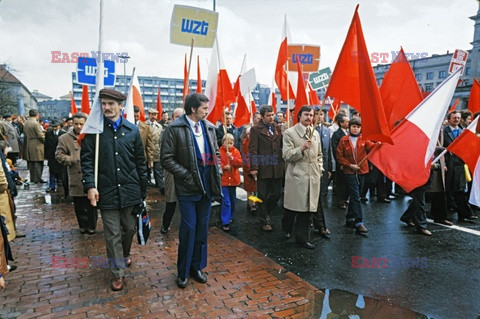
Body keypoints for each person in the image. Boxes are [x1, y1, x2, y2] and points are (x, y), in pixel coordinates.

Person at [81, 88, 148, 291]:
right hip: (106, 191)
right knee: (112, 234)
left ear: (121, 105)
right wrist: (90, 186)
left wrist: (142, 191)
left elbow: (140, 162)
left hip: (130, 191)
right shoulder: (95, 132)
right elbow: (86, 162)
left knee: (128, 229)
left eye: (111, 104)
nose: (107, 108)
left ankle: (125, 255)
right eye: (104, 104)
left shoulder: (132, 130)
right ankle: (117, 273)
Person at [161, 93, 222, 289]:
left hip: (207, 186)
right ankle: (183, 271)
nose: (207, 111)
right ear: (193, 109)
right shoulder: (174, 129)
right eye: (204, 108)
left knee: (202, 229)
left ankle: (197, 267)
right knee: (189, 229)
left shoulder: (209, 127)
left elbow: (215, 152)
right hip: (187, 188)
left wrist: (216, 167)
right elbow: (166, 158)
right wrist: (187, 176)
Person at [282, 106, 323, 249]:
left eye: (311, 115)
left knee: (307, 210)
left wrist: (320, 169)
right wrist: (302, 149)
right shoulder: (290, 133)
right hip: (297, 177)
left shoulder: (315, 134)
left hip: (313, 176)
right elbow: (286, 156)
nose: (309, 117)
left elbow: (319, 155)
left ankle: (302, 239)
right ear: (299, 116)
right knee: (293, 208)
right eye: (306, 114)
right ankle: (286, 228)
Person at [56, 112, 98, 234]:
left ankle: (91, 226)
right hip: (75, 174)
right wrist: (71, 159)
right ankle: (82, 225)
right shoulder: (64, 138)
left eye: (81, 124)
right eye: (76, 124)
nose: (79, 127)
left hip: (90, 174)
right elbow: (59, 154)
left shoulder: (92, 136)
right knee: (79, 204)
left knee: (91, 203)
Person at [249, 105, 285, 232]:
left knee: (276, 194)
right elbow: (253, 149)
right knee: (262, 195)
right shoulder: (255, 129)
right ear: (263, 117)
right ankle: (264, 220)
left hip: (277, 166)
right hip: (264, 166)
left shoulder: (277, 128)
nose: (271, 117)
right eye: (268, 115)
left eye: (272, 114)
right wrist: (254, 167)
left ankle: (264, 213)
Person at [336, 118, 375, 234]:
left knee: (355, 195)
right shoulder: (344, 140)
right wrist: (349, 165)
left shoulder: (364, 139)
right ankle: (359, 222)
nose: (355, 129)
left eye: (358, 127)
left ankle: (349, 218)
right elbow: (339, 156)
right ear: (349, 127)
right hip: (350, 172)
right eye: (353, 126)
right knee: (356, 196)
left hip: (362, 171)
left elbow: (372, 147)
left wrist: (378, 144)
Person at [442, 111, 477, 222]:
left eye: (458, 118)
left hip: (459, 166)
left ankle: (465, 214)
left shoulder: (463, 132)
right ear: (449, 119)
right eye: (454, 117)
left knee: (460, 190)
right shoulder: (443, 132)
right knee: (447, 191)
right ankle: (443, 215)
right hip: (448, 165)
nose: (456, 119)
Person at [160, 107, 184, 234]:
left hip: (185, 170)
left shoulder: (188, 130)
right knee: (171, 200)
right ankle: (165, 224)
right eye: (176, 117)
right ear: (172, 117)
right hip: (171, 170)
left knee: (186, 201)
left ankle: (185, 226)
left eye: (181, 116)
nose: (179, 119)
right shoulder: (167, 131)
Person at [313, 107, 331, 237]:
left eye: (322, 115)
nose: (320, 117)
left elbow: (328, 152)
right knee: (315, 198)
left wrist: (329, 168)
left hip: (323, 168)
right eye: (317, 115)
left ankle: (318, 223)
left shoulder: (326, 131)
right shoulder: (310, 131)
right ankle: (320, 225)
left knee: (320, 196)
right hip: (310, 168)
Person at [219, 133, 242, 232]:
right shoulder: (219, 152)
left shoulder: (236, 151)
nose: (229, 145)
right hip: (223, 181)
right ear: (223, 142)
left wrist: (232, 158)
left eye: (231, 143)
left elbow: (240, 163)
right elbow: (216, 163)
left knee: (233, 200)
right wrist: (224, 167)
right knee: (226, 201)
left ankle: (230, 216)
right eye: (227, 143)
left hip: (233, 180)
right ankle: (225, 221)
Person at [240, 112, 261, 213]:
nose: (259, 120)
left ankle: (255, 202)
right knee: (251, 187)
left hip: (260, 162)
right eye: (257, 118)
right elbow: (246, 153)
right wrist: (250, 167)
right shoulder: (248, 137)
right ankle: (252, 204)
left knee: (257, 186)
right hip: (250, 164)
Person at [331, 113, 349, 209]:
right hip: (341, 163)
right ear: (341, 123)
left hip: (349, 163)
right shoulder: (337, 134)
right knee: (341, 183)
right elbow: (335, 150)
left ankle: (345, 199)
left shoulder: (348, 133)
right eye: (347, 122)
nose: (348, 123)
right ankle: (340, 201)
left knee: (347, 183)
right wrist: (340, 163)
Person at [24, 109, 46, 183]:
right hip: (37, 144)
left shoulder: (26, 122)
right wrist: (45, 140)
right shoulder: (35, 123)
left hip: (29, 143)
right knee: (38, 162)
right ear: (37, 114)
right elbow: (40, 135)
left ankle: (33, 178)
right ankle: (38, 179)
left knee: (32, 163)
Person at [145, 108, 165, 192]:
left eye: (155, 114)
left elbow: (161, 141)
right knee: (146, 172)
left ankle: (161, 188)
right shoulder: (144, 125)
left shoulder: (159, 127)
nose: (153, 116)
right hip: (146, 153)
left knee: (158, 172)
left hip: (157, 153)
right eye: (152, 114)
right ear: (149, 115)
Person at [44, 121, 63, 192]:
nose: (54, 128)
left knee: (60, 170)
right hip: (51, 155)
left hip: (60, 155)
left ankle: (60, 182)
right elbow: (46, 145)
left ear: (59, 126)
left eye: (56, 126)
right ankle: (52, 186)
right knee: (52, 171)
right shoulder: (48, 133)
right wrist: (46, 155)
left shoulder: (63, 134)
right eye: (53, 126)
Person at [134, 106, 154, 171]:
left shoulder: (146, 127)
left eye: (137, 116)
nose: (136, 118)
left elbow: (149, 145)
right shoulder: (124, 126)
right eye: (134, 116)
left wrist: (150, 160)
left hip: (142, 158)